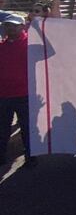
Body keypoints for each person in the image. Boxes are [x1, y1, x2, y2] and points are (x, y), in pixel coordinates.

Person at [0, 14, 36, 167]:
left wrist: (37, 27)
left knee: (28, 129)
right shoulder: (1, 46)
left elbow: (52, 50)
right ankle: (1, 157)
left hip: (25, 95)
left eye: (14, 25)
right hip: (3, 96)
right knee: (2, 129)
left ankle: (31, 156)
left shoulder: (31, 44)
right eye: (7, 25)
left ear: (22, 26)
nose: (10, 28)